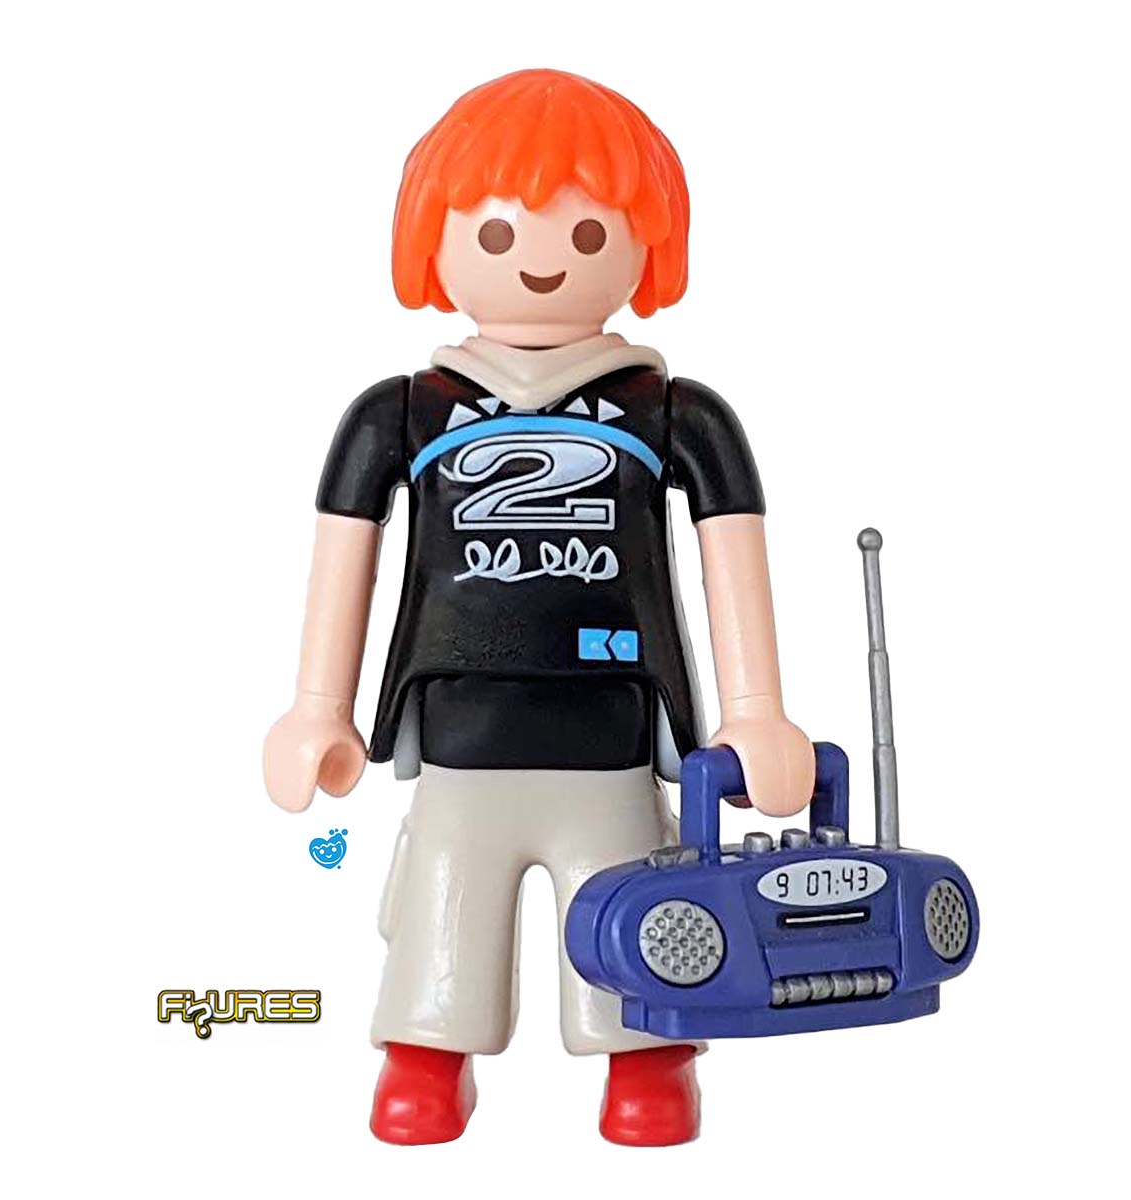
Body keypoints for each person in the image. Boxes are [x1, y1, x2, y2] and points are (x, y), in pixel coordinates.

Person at [264, 68, 814, 1147]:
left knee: (632, 901)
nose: (544, 258)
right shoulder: (405, 412)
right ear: (433, 241)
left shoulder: (673, 414)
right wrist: (315, 706)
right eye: (498, 232)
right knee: (445, 892)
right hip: (458, 723)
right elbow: (344, 551)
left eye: (589, 231)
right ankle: (426, 1058)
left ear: (649, 245)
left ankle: (645, 1061)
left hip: (609, 725)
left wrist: (757, 711)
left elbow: (731, 553)